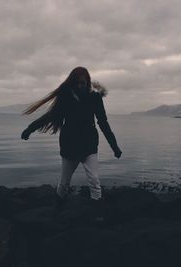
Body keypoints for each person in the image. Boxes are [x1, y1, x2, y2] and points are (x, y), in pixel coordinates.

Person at [20, 66, 122, 213]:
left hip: (89, 146)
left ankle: (98, 214)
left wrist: (114, 147)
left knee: (94, 180)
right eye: (77, 83)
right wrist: (30, 129)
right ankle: (58, 209)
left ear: (88, 82)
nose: (80, 86)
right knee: (64, 183)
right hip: (70, 146)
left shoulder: (95, 98)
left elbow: (103, 123)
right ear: (73, 83)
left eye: (83, 83)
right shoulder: (66, 97)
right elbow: (50, 116)